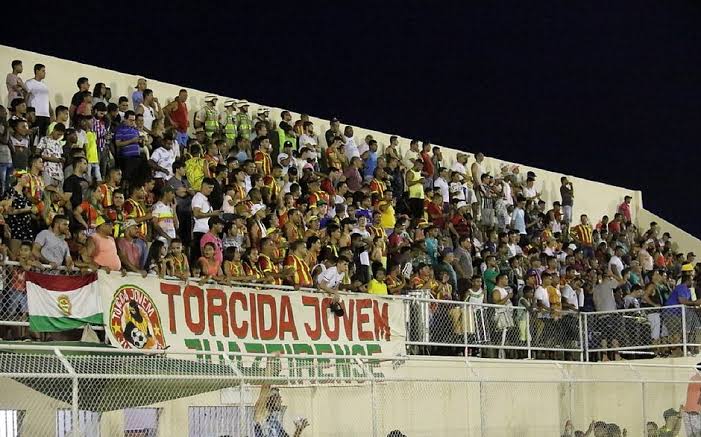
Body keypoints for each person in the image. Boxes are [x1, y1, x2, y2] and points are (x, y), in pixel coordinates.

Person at [24, 63, 52, 138]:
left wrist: (51, 112)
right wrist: (26, 112)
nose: (45, 73)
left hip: (46, 115)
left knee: (44, 137)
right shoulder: (29, 83)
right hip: (36, 115)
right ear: (37, 71)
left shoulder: (44, 85)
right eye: (43, 71)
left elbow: (47, 100)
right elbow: (26, 97)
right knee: (35, 137)